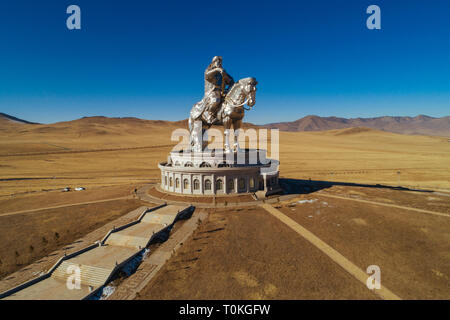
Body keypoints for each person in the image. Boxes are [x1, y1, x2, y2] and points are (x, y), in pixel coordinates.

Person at [203, 56, 234, 124]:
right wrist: (216, 70)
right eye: (217, 61)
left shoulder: (223, 72)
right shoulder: (209, 70)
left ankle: (226, 116)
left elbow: (231, 81)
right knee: (216, 100)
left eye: (220, 62)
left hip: (221, 91)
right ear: (213, 62)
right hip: (212, 91)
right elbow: (207, 76)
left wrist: (228, 89)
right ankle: (208, 114)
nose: (219, 63)